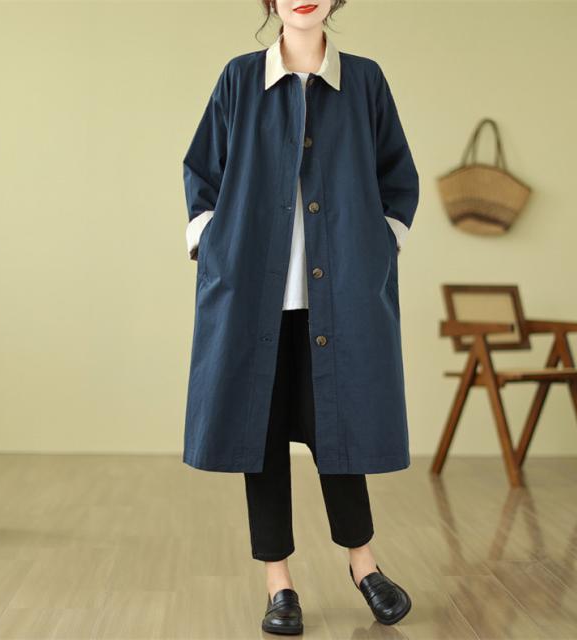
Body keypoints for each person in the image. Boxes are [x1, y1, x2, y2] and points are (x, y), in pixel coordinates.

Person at [182, 1, 420, 634]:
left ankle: (364, 566)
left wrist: (380, 244)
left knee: (339, 436)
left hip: (337, 298)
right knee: (259, 440)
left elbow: (398, 177)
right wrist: (212, 242)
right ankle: (279, 584)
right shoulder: (240, 79)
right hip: (254, 298)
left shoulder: (364, 80)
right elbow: (201, 171)